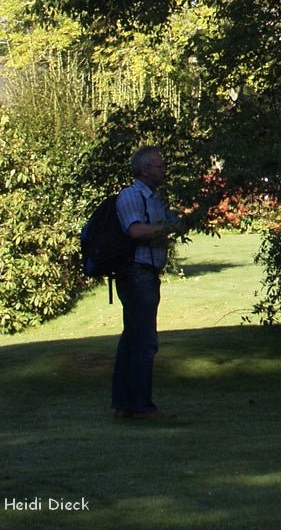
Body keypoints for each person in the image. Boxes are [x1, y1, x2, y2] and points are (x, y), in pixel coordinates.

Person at [111, 145, 188, 422]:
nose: (163, 169)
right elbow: (134, 230)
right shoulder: (131, 196)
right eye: (159, 165)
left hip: (147, 274)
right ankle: (142, 407)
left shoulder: (156, 199)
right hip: (136, 273)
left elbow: (177, 223)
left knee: (133, 338)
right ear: (144, 169)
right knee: (143, 341)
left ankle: (124, 406)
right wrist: (166, 228)